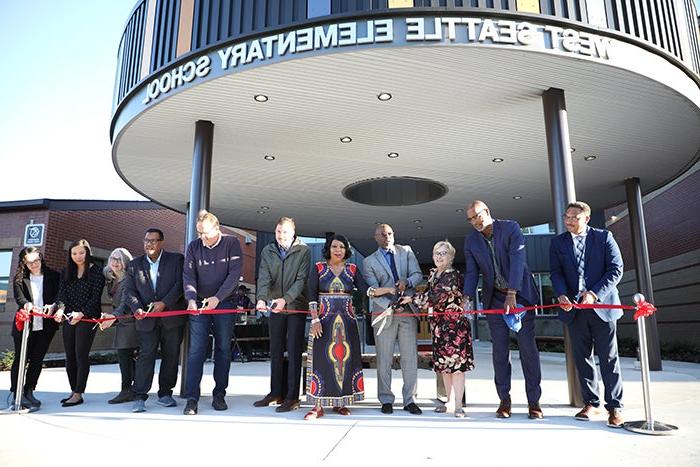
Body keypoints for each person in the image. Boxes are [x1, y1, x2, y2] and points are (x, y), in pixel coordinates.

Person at [463, 200, 543, 419]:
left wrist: (512, 293)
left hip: (521, 296)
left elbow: (518, 260)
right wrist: (467, 298)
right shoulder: (471, 241)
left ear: (487, 211)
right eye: (470, 219)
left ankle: (534, 402)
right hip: (495, 300)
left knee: (528, 350)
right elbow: (471, 273)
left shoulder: (510, 228)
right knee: (500, 352)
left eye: (477, 216)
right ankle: (504, 401)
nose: (474, 222)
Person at [550, 201, 625, 428]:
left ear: (587, 218)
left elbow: (616, 269)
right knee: (582, 357)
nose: (569, 220)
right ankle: (591, 402)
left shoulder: (604, 238)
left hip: (602, 307)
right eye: (567, 216)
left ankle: (615, 407)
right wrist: (562, 295)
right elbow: (556, 272)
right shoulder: (558, 243)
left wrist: (594, 294)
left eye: (575, 217)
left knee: (608, 358)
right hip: (574, 310)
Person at [304, 234, 384, 420]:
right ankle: (317, 406)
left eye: (341, 247)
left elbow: (366, 290)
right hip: (323, 321)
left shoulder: (353, 269)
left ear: (346, 250)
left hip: (347, 322)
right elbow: (311, 294)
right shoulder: (318, 268)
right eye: (334, 247)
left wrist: (386, 290)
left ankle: (340, 402)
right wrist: (314, 319)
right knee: (321, 361)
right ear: (329, 249)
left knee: (344, 361)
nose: (338, 250)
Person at [117, 228, 186, 413]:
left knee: (171, 356)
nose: (149, 244)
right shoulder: (134, 264)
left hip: (171, 318)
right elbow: (129, 291)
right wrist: (136, 307)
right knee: (145, 356)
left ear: (162, 242)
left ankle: (165, 393)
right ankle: (139, 395)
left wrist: (165, 303)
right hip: (146, 320)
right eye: (146, 240)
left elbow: (180, 284)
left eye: (153, 241)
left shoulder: (176, 260)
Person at [182, 210, 243, 415]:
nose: (202, 238)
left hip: (225, 303)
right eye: (199, 233)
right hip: (199, 304)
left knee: (223, 349)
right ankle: (192, 398)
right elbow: (188, 276)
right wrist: (191, 299)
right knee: (196, 351)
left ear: (217, 229)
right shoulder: (194, 247)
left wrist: (218, 298)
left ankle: (219, 394)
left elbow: (234, 274)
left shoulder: (231, 243)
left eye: (205, 234)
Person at [404, 240, 474, 418]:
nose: (439, 256)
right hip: (439, 327)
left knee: (457, 367)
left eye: (444, 253)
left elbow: (434, 298)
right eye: (437, 253)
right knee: (443, 366)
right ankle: (448, 401)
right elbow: (428, 295)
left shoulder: (452, 275)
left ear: (451, 257)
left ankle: (459, 405)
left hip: (455, 328)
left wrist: (411, 299)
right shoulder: (435, 274)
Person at [362, 223, 424, 415]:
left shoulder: (406, 251)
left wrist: (408, 282)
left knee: (410, 358)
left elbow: (418, 275)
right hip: (384, 313)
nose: (386, 236)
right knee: (384, 359)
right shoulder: (368, 262)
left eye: (389, 233)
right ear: (376, 238)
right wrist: (391, 304)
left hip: (407, 311)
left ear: (393, 234)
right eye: (382, 234)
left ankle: (410, 400)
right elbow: (373, 291)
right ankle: (386, 399)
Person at [253, 217, 311, 413]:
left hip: (295, 306)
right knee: (275, 350)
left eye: (285, 232)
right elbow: (264, 277)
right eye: (278, 231)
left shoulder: (304, 250)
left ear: (293, 232)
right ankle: (275, 392)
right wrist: (261, 299)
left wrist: (286, 299)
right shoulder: (267, 250)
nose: (281, 235)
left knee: (294, 351)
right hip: (274, 306)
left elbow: (301, 279)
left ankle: (292, 396)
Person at [53, 239, 106, 407]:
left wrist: (81, 312)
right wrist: (60, 309)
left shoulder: (96, 271)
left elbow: (95, 297)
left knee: (80, 354)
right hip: (69, 317)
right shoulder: (66, 271)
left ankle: (78, 393)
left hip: (87, 317)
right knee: (70, 356)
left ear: (87, 253)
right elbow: (62, 294)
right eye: (74, 253)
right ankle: (73, 389)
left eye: (81, 253)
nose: (78, 256)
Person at [6, 247, 60, 411]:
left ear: (41, 258)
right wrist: (28, 306)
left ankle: (29, 390)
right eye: (29, 262)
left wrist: (54, 305)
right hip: (25, 325)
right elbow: (20, 298)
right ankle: (16, 392)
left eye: (36, 260)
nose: (34, 265)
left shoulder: (53, 276)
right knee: (21, 359)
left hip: (46, 326)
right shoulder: (20, 278)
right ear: (24, 262)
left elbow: (59, 295)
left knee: (37, 360)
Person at [100, 248, 138, 404]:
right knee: (127, 357)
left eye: (119, 259)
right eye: (112, 258)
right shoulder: (110, 278)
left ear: (125, 262)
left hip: (130, 321)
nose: (115, 262)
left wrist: (113, 316)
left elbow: (125, 302)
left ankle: (126, 390)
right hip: (121, 320)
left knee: (125, 357)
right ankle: (133, 389)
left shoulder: (129, 279)